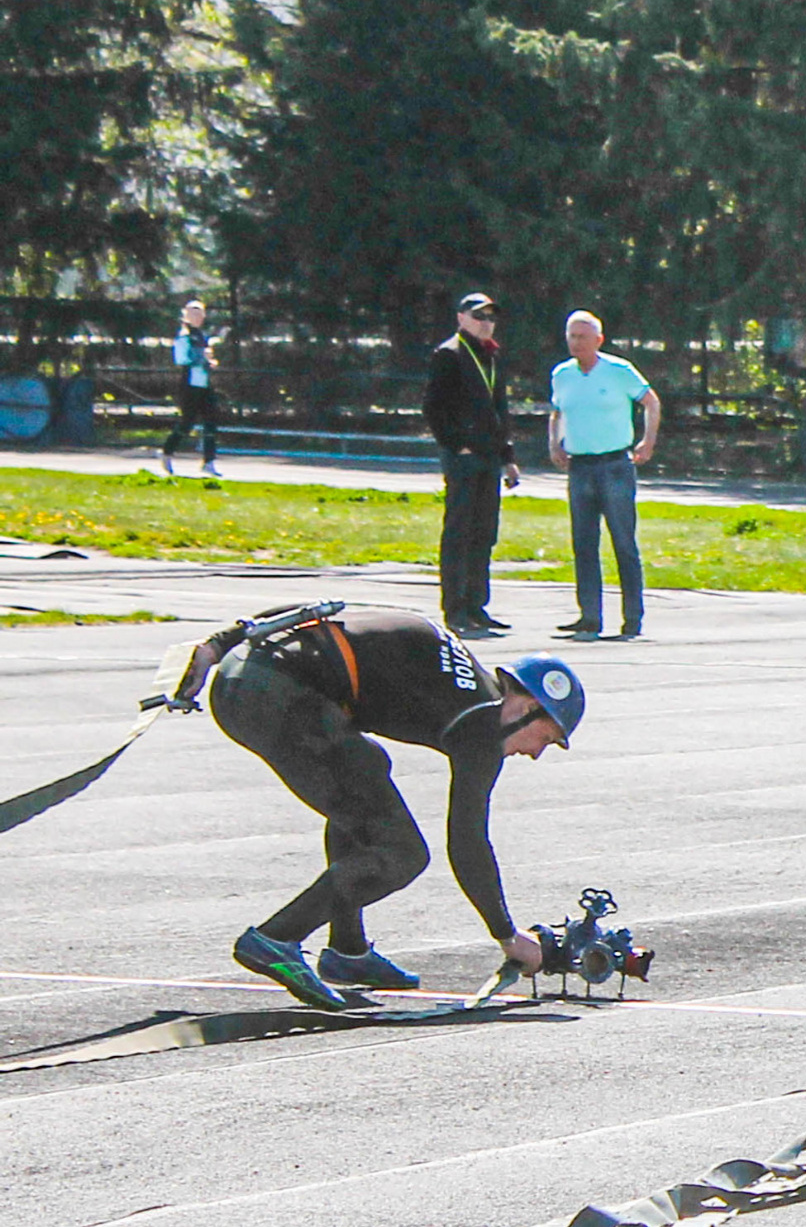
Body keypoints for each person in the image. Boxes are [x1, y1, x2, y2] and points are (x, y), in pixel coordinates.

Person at [189, 605, 579, 1008]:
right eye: (546, 739)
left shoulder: (471, 681)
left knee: (364, 770)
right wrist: (508, 936)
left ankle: (348, 952)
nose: (535, 754)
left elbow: (323, 611)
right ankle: (276, 937)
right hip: (272, 693)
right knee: (403, 853)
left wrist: (216, 647)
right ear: (526, 707)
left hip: (245, 671)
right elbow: (467, 841)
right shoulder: (481, 724)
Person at [546, 311, 660, 641]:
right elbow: (557, 412)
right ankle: (589, 617)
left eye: (582, 337)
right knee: (583, 543)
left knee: (623, 542)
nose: (575, 343)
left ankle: (632, 618)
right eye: (571, 336)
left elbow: (651, 402)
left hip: (615, 466)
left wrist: (647, 440)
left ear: (598, 340)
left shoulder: (618, 371)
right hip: (580, 466)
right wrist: (555, 443)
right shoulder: (562, 374)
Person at [425, 292, 520, 639]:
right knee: (459, 533)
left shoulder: (491, 355)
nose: (486, 323)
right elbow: (433, 409)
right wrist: (457, 446)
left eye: (491, 317)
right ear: (461, 318)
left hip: (490, 457)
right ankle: (456, 609)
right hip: (464, 458)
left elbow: (499, 409)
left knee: (484, 533)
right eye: (478, 316)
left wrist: (507, 457)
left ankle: (478, 606)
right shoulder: (449, 354)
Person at [163, 299, 221, 477]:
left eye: (201, 313)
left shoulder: (201, 335)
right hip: (190, 385)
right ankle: (167, 453)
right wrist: (201, 358)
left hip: (204, 384)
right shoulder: (184, 334)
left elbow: (205, 357)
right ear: (187, 315)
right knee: (187, 422)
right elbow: (181, 359)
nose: (198, 317)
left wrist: (210, 362)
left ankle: (209, 461)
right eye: (194, 313)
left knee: (211, 421)